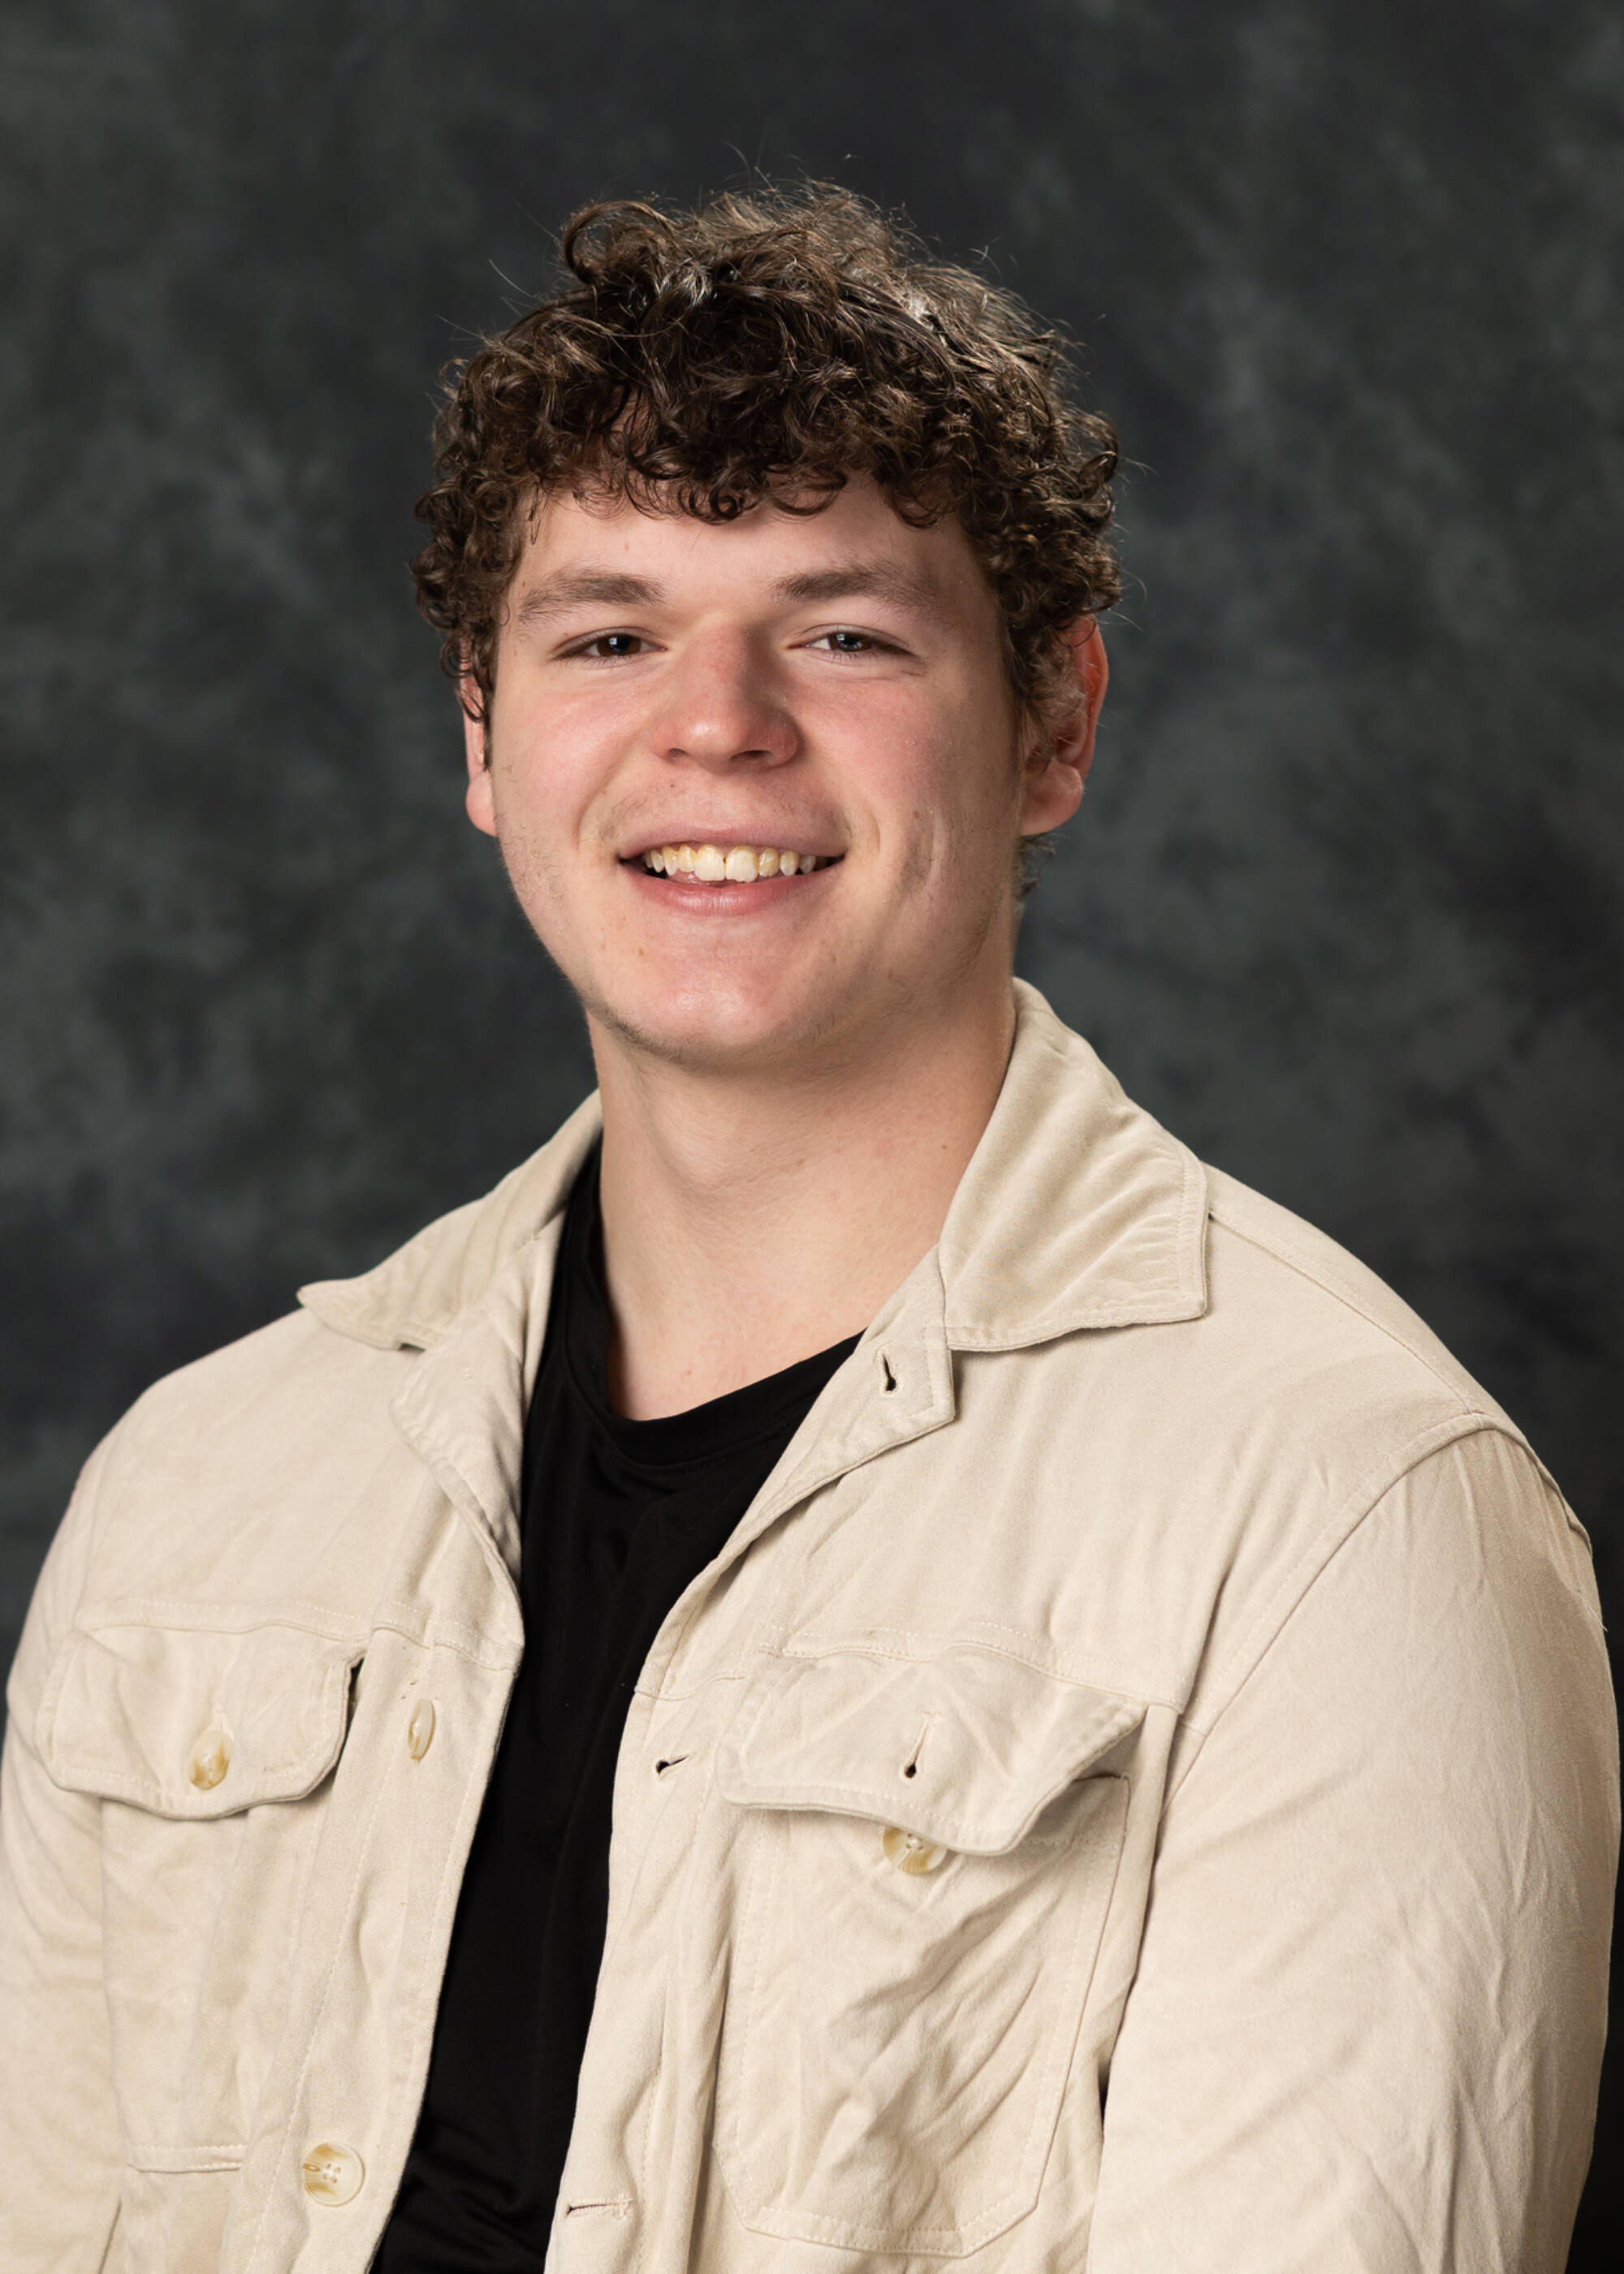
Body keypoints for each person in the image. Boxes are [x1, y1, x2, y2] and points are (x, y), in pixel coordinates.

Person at [0, 185, 1614, 2274]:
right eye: (609, 633)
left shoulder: (1341, 1523)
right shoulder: (197, 1493)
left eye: (843, 630)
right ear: (484, 739)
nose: (717, 721)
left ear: (1053, 724)